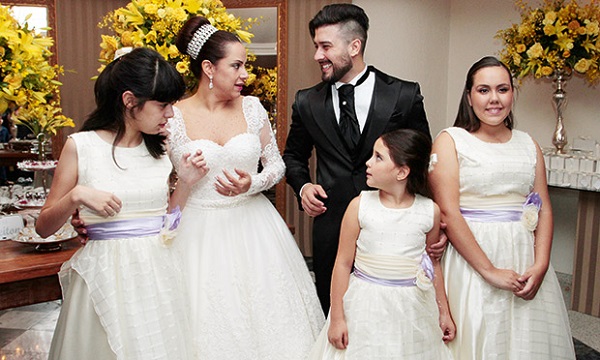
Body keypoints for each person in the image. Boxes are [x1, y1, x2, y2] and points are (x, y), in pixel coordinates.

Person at [167, 15, 325, 358]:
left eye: (245, 65)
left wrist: (251, 183)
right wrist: (184, 180)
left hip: (253, 227)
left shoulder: (252, 108)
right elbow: (161, 185)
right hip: (197, 230)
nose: (245, 74)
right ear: (209, 68)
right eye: (236, 65)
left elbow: (277, 164)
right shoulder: (172, 117)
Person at [36, 47, 207, 360]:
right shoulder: (81, 146)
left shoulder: (159, 151)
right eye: (163, 105)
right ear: (130, 101)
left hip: (156, 277)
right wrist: (77, 195)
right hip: (104, 278)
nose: (171, 114)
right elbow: (44, 227)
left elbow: (169, 224)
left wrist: (185, 181)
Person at [283, 3, 433, 312]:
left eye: (326, 46)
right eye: (315, 46)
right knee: (333, 313)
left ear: (355, 45)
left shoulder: (403, 95)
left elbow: (422, 159)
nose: (317, 55)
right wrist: (303, 187)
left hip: (395, 229)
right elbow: (293, 156)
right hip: (332, 228)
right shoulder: (307, 102)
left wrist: (433, 223)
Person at [429, 56, 575, 359]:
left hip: (523, 258)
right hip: (472, 259)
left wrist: (541, 263)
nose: (494, 99)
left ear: (512, 94)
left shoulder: (528, 144)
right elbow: (448, 212)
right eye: (483, 90)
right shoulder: (450, 140)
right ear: (469, 97)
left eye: (502, 89)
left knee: (525, 341)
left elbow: (544, 207)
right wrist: (490, 271)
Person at [309, 129, 455, 359]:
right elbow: (343, 263)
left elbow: (432, 265)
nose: (368, 162)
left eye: (378, 157)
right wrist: (336, 318)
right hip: (366, 306)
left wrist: (443, 312)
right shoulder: (360, 206)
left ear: (402, 172)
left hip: (412, 308)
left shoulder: (429, 211)